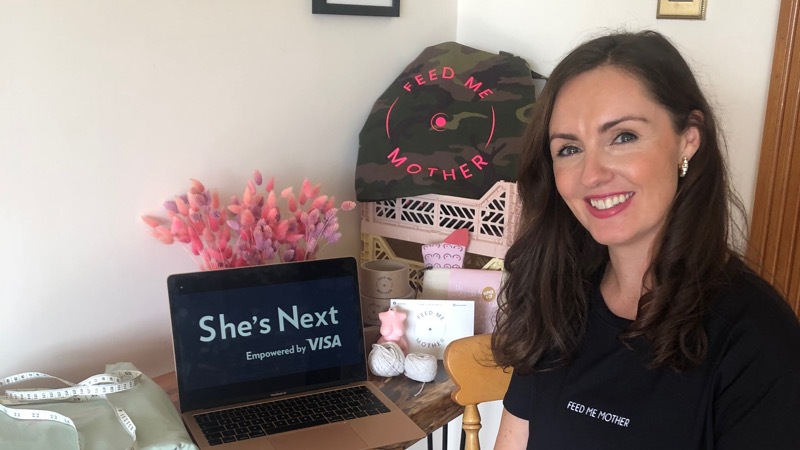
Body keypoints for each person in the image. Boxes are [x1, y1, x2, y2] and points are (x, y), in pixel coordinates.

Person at [492, 30, 800, 449]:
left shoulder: (758, 341)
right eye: (569, 149)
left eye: (623, 137)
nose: (591, 175)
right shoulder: (558, 296)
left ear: (688, 140)